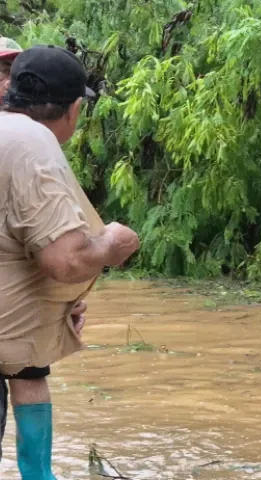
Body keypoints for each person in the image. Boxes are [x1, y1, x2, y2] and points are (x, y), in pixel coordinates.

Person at [0, 44, 140, 479]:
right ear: (74, 109)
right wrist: (114, 244)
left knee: (28, 367)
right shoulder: (30, 140)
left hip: (12, 339)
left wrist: (60, 302)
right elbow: (66, 260)